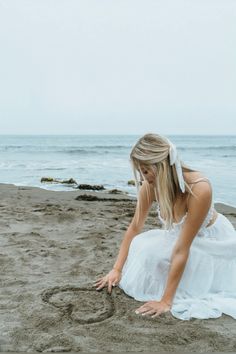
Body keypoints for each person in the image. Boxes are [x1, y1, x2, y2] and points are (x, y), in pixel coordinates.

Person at [93, 133, 236, 320]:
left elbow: (182, 248)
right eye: (140, 172)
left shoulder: (199, 189)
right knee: (141, 247)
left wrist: (166, 301)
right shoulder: (150, 186)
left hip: (211, 242)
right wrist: (117, 269)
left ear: (160, 165)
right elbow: (135, 227)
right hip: (178, 238)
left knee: (165, 261)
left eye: (145, 171)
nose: (143, 177)